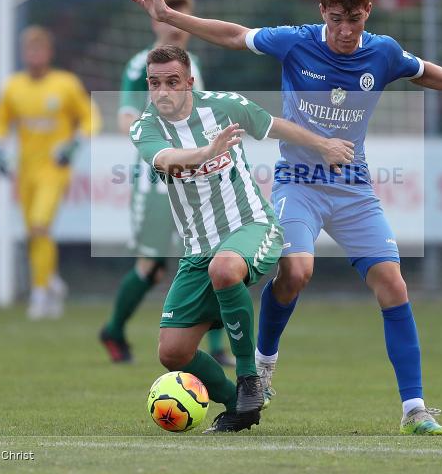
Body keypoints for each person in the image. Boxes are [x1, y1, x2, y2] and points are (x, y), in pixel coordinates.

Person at [126, 0, 442, 435]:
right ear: (322, 11)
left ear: (367, 13)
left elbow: (422, 71)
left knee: (394, 285)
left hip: (353, 189)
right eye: (337, 18)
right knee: (297, 270)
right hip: (297, 182)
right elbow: (234, 34)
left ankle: (415, 410)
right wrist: (170, 16)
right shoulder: (295, 41)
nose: (346, 30)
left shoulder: (381, 52)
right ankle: (261, 369)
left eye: (355, 19)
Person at [130, 45, 353, 433]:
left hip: (252, 227)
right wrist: (206, 152)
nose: (162, 91)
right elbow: (166, 159)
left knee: (226, 265)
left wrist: (324, 144)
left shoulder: (224, 106)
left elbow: (273, 126)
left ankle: (251, 379)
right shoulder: (145, 127)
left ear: (189, 83)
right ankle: (240, 406)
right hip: (198, 249)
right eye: (154, 83)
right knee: (173, 353)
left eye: (171, 82)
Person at [99, 0, 232, 366]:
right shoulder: (140, 65)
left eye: (181, 18)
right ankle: (113, 329)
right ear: (154, 19)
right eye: (167, 15)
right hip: (157, 184)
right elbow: (126, 118)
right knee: (152, 265)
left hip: (197, 178)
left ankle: (218, 347)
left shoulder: (193, 66)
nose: (175, 26)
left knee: (215, 257)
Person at [0, 25, 102, 320]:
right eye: (29, 50)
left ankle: (39, 293)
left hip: (54, 170)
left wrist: (75, 144)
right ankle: (50, 281)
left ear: (49, 53)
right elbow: (1, 122)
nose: (34, 55)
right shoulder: (13, 87)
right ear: (23, 54)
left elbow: (90, 116)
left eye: (39, 50)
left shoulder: (64, 84)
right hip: (26, 169)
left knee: (40, 225)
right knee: (34, 233)